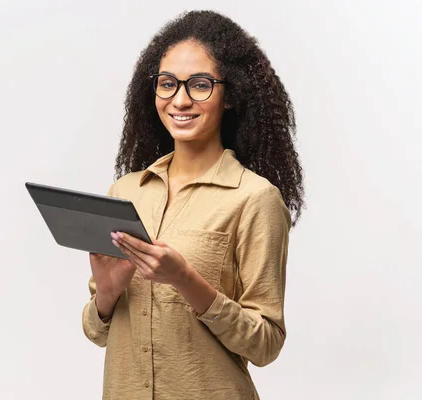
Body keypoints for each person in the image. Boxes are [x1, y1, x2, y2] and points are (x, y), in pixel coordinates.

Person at [81, 10, 305, 400]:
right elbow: (96, 331)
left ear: (230, 94)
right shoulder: (125, 192)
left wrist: (186, 280)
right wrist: (107, 294)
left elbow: (266, 343)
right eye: (167, 84)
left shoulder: (254, 199)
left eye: (199, 85)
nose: (180, 100)